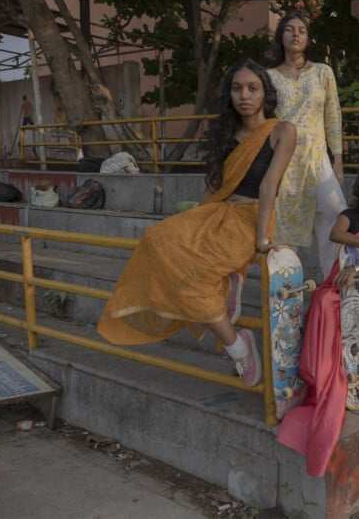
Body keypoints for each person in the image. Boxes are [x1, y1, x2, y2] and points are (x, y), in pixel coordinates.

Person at [98, 58, 296, 387]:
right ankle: (227, 288)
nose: (244, 95)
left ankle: (238, 348)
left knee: (195, 281)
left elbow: (268, 186)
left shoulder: (282, 131)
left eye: (253, 88)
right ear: (229, 95)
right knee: (157, 237)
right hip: (217, 211)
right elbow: (215, 185)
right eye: (237, 88)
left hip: (249, 220)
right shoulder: (227, 133)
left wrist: (262, 241)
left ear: (265, 93)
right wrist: (191, 224)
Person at [277, 161, 359, 477]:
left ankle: (327, 384)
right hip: (340, 286)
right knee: (323, 299)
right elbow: (337, 234)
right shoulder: (350, 217)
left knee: (331, 304)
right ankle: (321, 378)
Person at [266, 11, 347, 277]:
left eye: (301, 29)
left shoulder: (323, 72)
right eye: (289, 29)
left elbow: (333, 116)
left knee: (335, 212)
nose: (296, 33)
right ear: (281, 36)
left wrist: (337, 160)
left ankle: (333, 289)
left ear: (308, 38)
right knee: (283, 228)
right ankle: (288, 305)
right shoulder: (268, 76)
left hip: (317, 158)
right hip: (282, 161)